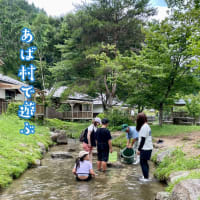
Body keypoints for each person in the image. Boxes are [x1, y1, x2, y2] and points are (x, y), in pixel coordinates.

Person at [136, 113, 153, 182]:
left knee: (143, 163)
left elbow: (143, 140)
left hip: (145, 148)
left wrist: (139, 149)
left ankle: (146, 178)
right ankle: (146, 176)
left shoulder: (144, 127)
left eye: (137, 118)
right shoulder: (146, 126)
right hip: (148, 147)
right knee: (145, 162)